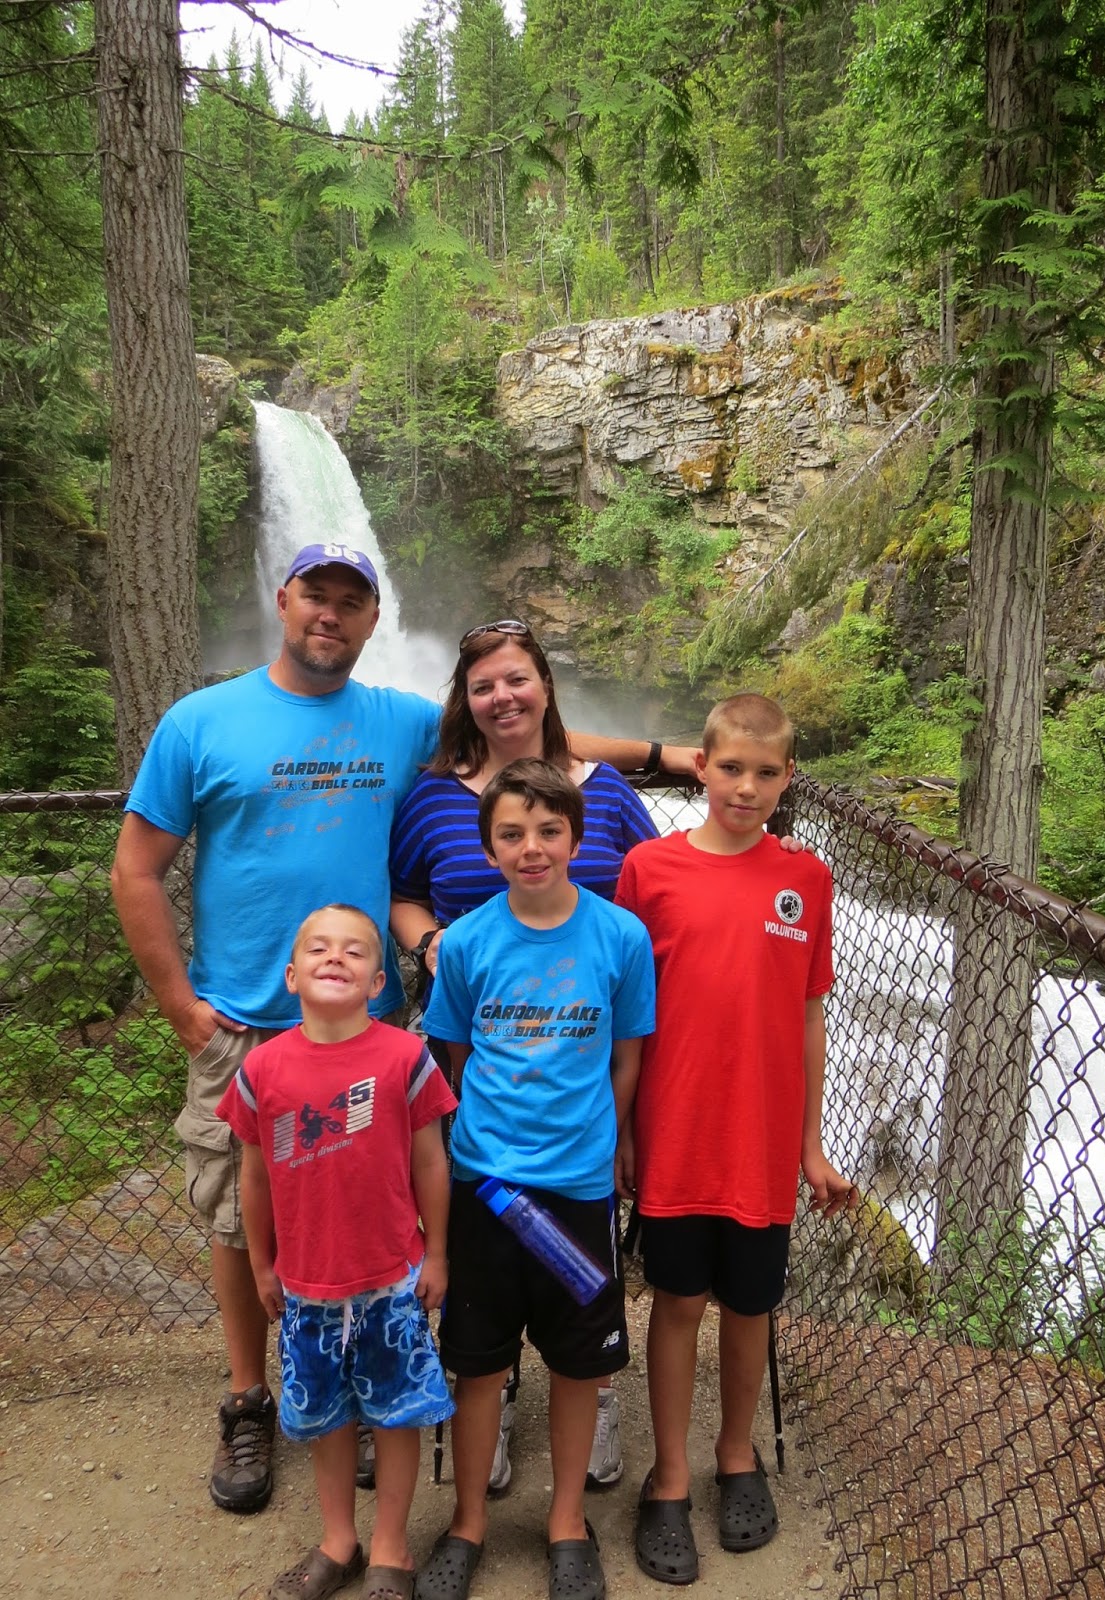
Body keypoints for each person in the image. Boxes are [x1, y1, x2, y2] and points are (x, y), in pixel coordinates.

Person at [109, 545, 693, 1517]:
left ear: (373, 618)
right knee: (239, 1214)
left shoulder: (400, 720)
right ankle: (249, 1398)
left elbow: (522, 728)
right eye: (316, 596)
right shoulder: (200, 720)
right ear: (284, 599)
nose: (330, 614)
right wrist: (181, 1008)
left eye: (352, 601)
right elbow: (136, 869)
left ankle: (385, 1388)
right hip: (247, 1018)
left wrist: (663, 756)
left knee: (385, 1216)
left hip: (381, 1029)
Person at [389, 618, 660, 1494]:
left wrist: (745, 820)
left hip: (585, 1055)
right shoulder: (435, 796)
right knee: (491, 1259)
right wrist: (432, 944)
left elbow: (660, 880)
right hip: (486, 1053)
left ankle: (593, 1388)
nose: (502, 697)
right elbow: (403, 892)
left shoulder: (602, 791)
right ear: (463, 699)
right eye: (483, 685)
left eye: (517, 679)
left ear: (544, 686)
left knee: (579, 1274)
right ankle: (492, 1389)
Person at [614, 693, 858, 1586]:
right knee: (677, 1302)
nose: (745, 788)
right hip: (675, 1132)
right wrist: (623, 1130)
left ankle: (735, 1454)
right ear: (700, 767)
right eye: (729, 769)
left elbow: (808, 1018)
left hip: (759, 1140)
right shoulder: (647, 869)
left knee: (751, 1308)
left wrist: (809, 1146)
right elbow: (627, 1017)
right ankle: (668, 1475)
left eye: (764, 773)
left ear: (787, 777)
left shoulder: (808, 880)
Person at [413, 759, 656, 1600]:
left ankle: (565, 1522)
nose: (532, 848)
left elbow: (626, 1056)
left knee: (579, 1362)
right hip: (487, 1187)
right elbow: (457, 1058)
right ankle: (467, 1522)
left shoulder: (619, 937)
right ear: (487, 847)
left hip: (578, 1190)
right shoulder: (466, 943)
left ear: (576, 839)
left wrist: (613, 1142)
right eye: (511, 833)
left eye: (549, 831)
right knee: (479, 1363)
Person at [216, 904, 456, 1600]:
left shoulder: (404, 1057)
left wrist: (437, 1253)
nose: (335, 958)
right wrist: (262, 1265)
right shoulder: (263, 1069)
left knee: (396, 1415)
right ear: (291, 975)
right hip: (306, 1285)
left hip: (391, 1280)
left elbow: (430, 1163)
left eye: (354, 951)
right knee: (328, 1417)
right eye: (318, 948)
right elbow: (254, 1177)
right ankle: (339, 1542)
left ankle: (390, 1549)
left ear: (378, 980)